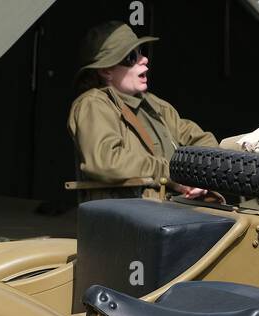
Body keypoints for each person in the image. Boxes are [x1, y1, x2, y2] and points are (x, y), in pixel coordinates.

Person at [68, 21, 218, 202]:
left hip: (174, 209)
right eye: (131, 56)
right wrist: (173, 174)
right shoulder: (94, 104)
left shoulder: (156, 105)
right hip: (131, 214)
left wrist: (200, 175)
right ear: (106, 70)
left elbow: (200, 139)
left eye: (141, 52)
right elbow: (107, 161)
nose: (144, 59)